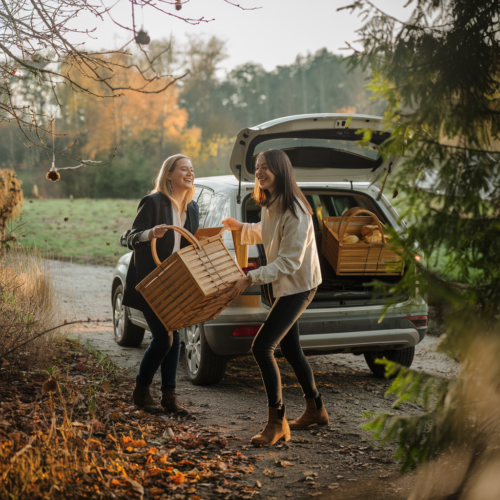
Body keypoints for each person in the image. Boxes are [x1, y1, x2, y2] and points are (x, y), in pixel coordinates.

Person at [222, 149, 329, 447]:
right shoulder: (271, 203)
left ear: (281, 170)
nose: (260, 172)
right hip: (284, 286)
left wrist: (250, 278)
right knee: (292, 349)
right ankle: (316, 410)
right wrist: (241, 228)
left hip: (299, 285)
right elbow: (266, 233)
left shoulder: (296, 210)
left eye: (266, 167)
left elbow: (289, 262)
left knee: (262, 347)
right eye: (257, 167)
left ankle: (276, 423)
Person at [122, 154, 199, 414]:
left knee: (174, 339)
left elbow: (189, 247)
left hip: (176, 285)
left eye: (191, 170)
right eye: (183, 169)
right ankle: (141, 391)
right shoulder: (154, 202)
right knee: (163, 339)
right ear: (169, 174)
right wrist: (150, 234)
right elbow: (128, 237)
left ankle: (169, 399)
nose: (190, 173)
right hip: (151, 283)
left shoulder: (193, 208)